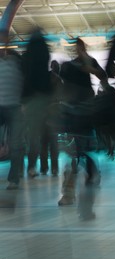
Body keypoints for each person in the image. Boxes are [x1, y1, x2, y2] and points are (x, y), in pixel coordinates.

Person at [58, 38, 106, 221]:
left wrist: (90, 66)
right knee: (74, 156)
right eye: (77, 47)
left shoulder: (90, 61)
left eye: (81, 47)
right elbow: (64, 84)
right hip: (73, 115)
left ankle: (78, 191)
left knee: (82, 154)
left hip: (85, 115)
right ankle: (69, 193)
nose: (79, 50)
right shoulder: (69, 66)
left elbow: (102, 76)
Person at [22, 29, 52, 178]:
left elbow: (25, 77)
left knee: (33, 135)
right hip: (44, 98)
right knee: (46, 135)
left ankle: (32, 166)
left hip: (31, 99)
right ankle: (46, 166)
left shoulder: (28, 55)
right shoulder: (44, 51)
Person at [0, 30, 26, 190]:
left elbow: (25, 82)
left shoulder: (17, 60)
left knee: (16, 143)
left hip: (15, 106)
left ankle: (14, 178)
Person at [39, 60, 61, 176]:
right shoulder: (58, 80)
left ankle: (44, 168)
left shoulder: (45, 78)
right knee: (53, 143)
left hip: (43, 113)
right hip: (54, 115)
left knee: (43, 142)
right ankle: (54, 168)